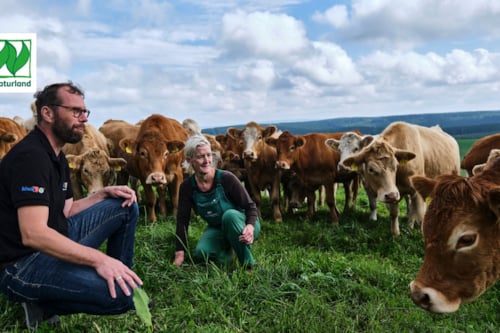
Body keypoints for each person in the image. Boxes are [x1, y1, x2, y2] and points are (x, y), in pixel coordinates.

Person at [0, 82, 143, 330]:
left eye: (85, 112)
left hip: (50, 244)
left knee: (124, 204)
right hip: (20, 266)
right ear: (47, 113)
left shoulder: (58, 155)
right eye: (75, 111)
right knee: (124, 297)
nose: (83, 119)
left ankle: (119, 276)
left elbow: (64, 212)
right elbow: (33, 234)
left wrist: (100, 196)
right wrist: (99, 260)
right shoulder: (30, 158)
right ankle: (41, 303)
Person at [173, 134, 261, 269]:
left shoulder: (227, 178)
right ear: (190, 160)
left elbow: (250, 207)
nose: (206, 160)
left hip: (243, 223)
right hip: (217, 228)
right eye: (200, 156)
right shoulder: (187, 187)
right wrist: (180, 253)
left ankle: (248, 264)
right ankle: (231, 249)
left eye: (209, 155)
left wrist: (250, 226)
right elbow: (182, 221)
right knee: (202, 254)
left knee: (229, 215)